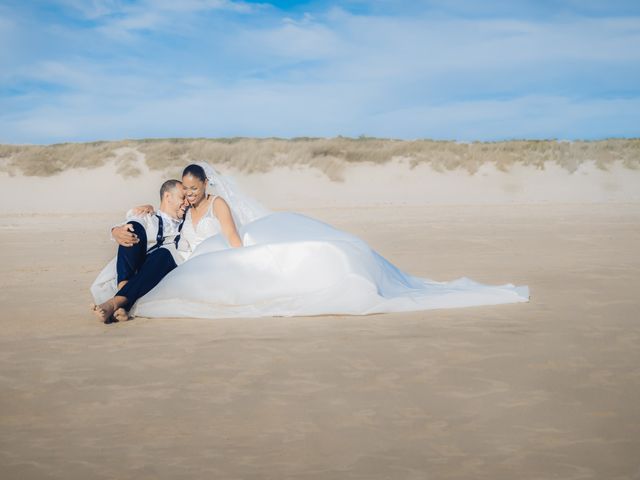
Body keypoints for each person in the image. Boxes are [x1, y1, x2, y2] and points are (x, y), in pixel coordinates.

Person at [92, 162, 529, 320]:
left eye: (193, 188)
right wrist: (141, 210)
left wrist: (244, 262)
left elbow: (230, 239)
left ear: (206, 183)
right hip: (183, 254)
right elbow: (162, 217)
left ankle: (120, 301)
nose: (188, 195)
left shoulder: (217, 204)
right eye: (184, 190)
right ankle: (121, 301)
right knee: (153, 259)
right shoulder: (186, 208)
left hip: (213, 255)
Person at [90, 179, 188, 323]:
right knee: (132, 227)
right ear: (168, 197)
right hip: (134, 266)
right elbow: (126, 224)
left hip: (160, 269)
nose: (187, 202)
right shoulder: (148, 216)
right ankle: (123, 293)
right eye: (182, 197)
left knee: (164, 253)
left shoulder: (188, 222)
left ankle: (115, 303)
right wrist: (116, 231)